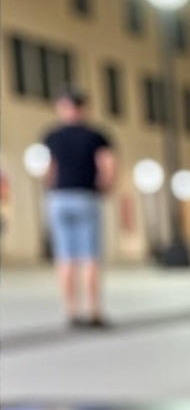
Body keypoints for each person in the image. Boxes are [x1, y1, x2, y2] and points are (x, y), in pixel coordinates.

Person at [42, 87, 116, 328]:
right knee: (89, 256)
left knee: (65, 257)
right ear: (84, 108)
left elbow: (49, 170)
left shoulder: (52, 136)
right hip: (86, 197)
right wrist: (104, 187)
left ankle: (72, 312)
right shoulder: (96, 136)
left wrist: (52, 189)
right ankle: (94, 312)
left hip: (59, 198)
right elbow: (107, 165)